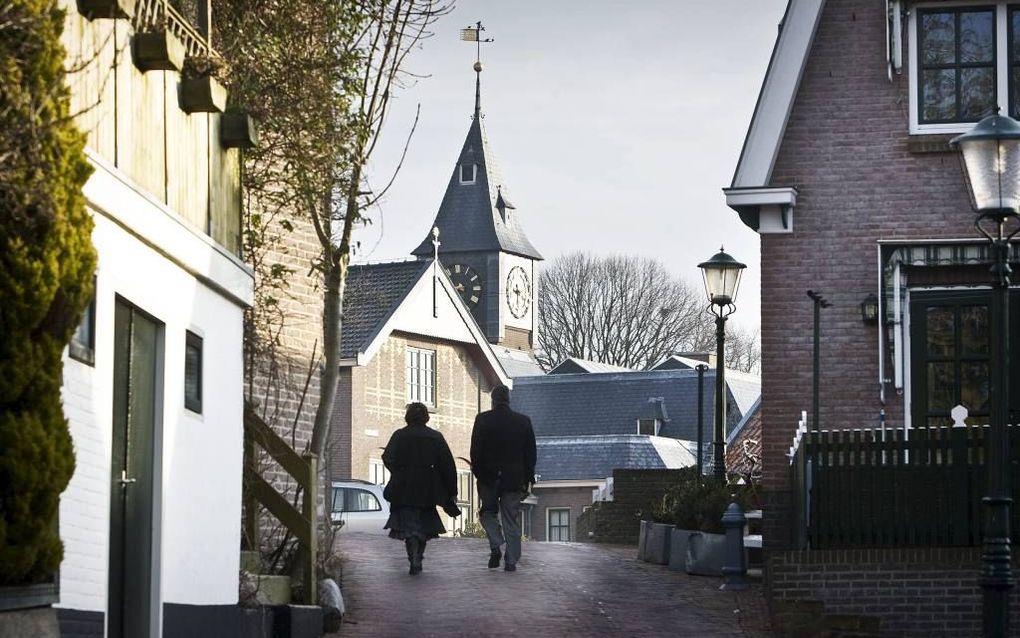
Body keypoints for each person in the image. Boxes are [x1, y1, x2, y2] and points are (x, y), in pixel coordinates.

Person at [382, 402, 459, 575]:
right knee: (424, 525)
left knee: (409, 527)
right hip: (428, 489)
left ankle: (412, 557)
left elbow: (387, 457)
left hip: (404, 488)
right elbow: (448, 465)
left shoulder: (400, 435)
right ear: (426, 417)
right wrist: (452, 491)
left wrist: (398, 472)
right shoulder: (435, 437)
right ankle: (419, 556)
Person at [470, 384, 537, 572]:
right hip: (514, 479)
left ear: (492, 400)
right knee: (511, 519)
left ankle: (496, 541)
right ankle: (511, 560)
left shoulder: (482, 420)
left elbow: (475, 451)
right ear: (508, 399)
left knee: (487, 513)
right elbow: (530, 454)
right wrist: (528, 479)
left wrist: (480, 473)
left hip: (488, 478)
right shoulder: (523, 421)